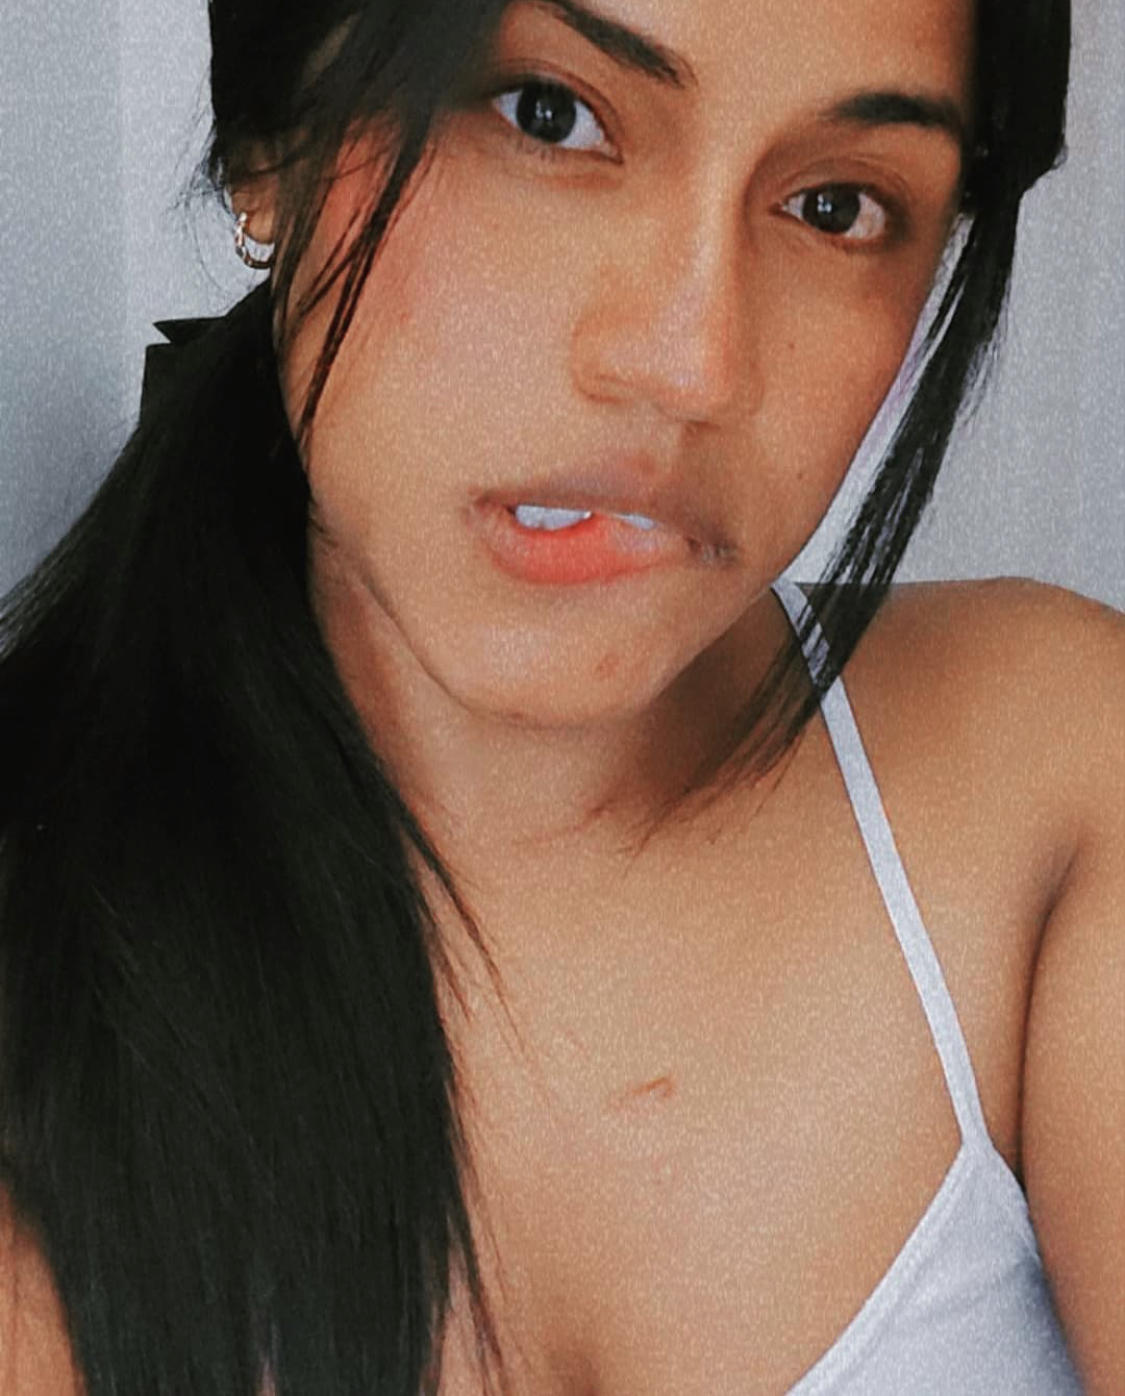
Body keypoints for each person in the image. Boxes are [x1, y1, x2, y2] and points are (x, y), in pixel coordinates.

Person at [0, 0, 1119, 1392]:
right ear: (269, 143)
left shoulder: (1061, 792)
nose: (688, 364)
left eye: (836, 206)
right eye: (548, 115)